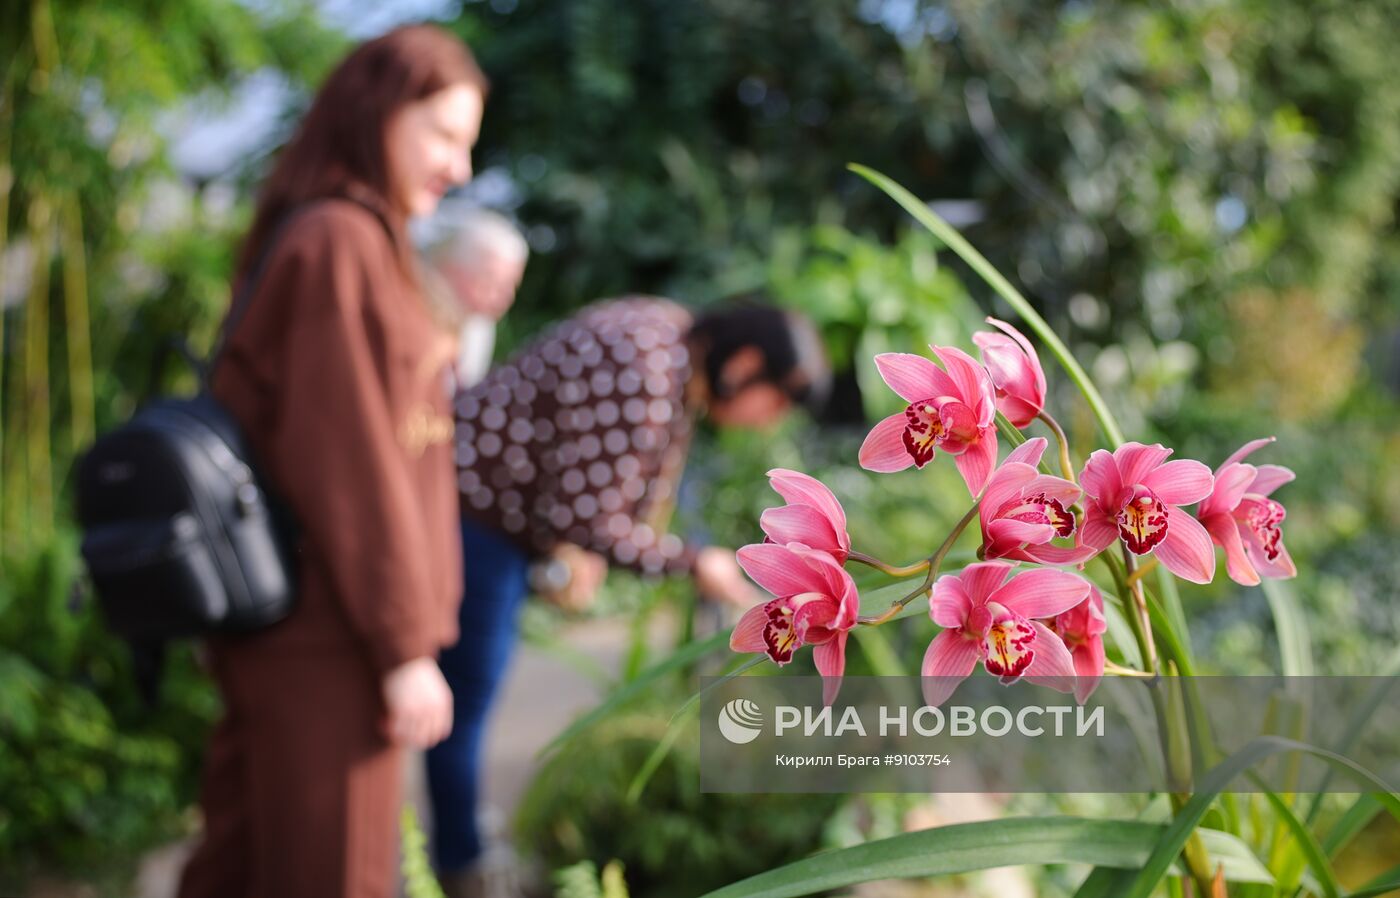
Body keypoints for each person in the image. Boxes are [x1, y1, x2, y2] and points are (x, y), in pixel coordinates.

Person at [178, 26, 487, 898]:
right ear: (377, 115)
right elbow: (349, 458)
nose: (459, 167)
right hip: (328, 640)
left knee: (241, 868)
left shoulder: (334, 236)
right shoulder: (341, 243)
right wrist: (401, 647)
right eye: (444, 135)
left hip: (303, 630)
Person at [429, 297, 829, 891]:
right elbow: (585, 517)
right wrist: (697, 563)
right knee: (464, 698)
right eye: (775, 402)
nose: (767, 421)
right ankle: (459, 862)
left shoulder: (664, 335)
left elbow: (594, 474)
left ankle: (456, 834)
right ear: (745, 364)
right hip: (477, 516)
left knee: (465, 698)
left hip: (488, 505)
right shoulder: (646, 372)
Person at [421, 204, 530, 386]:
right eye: (493, 283)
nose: (507, 297)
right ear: (450, 268)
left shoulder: (480, 326)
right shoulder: (409, 310)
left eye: (512, 286)